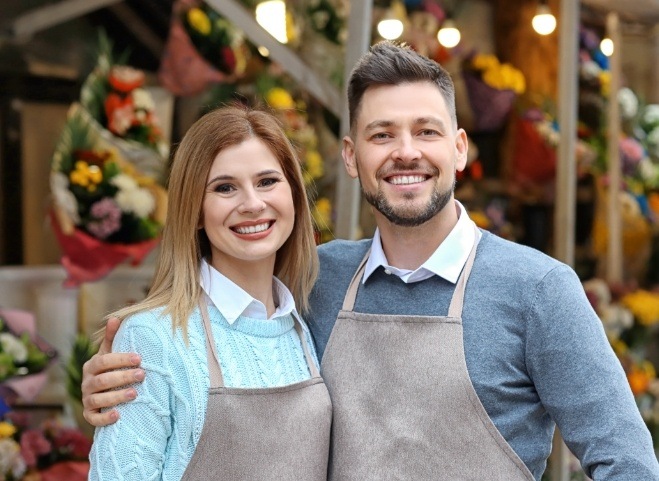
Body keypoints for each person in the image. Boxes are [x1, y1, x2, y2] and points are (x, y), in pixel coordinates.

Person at [82, 42, 659, 480]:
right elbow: (219, 348)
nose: (405, 151)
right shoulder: (314, 281)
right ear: (352, 157)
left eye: (425, 131)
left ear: (459, 148)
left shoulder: (539, 290)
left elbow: (627, 463)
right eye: (382, 134)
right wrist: (127, 381)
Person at [86, 105, 331, 480]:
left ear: (294, 195)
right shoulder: (152, 338)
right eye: (225, 188)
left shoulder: (306, 325)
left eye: (267, 181)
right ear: (196, 211)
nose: (252, 204)